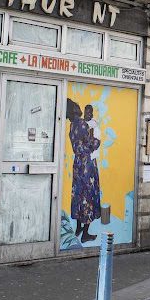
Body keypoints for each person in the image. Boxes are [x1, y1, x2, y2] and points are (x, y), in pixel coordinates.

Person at [64, 99, 101, 243]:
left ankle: (79, 227)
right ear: (75, 109)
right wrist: (96, 139)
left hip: (78, 163)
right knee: (88, 196)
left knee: (79, 195)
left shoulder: (72, 125)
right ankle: (86, 233)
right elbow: (93, 144)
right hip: (87, 163)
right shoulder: (83, 124)